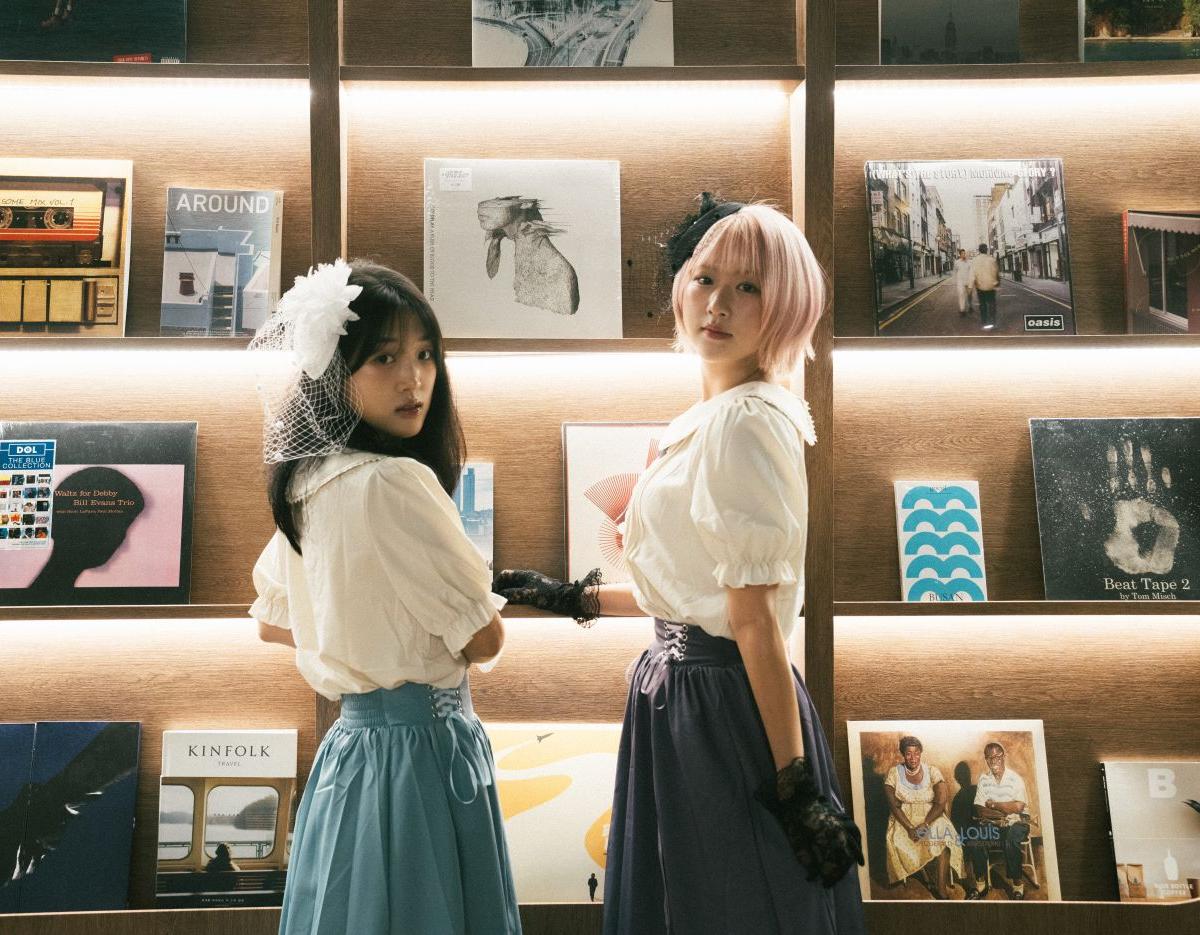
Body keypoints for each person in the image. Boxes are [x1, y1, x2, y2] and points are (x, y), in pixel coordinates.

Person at [496, 197, 865, 934]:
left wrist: (793, 788)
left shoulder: (748, 421)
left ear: (786, 306)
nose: (717, 304)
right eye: (705, 279)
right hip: (680, 691)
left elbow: (754, 621)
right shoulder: (711, 417)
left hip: (721, 704)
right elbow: (699, 597)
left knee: (727, 904)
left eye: (748, 287)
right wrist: (578, 597)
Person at [249, 259, 521, 935]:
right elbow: (483, 640)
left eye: (426, 355)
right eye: (384, 357)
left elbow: (274, 623)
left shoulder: (307, 483)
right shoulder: (395, 482)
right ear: (336, 375)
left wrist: (360, 627)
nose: (414, 378)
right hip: (425, 751)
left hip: (351, 750)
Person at [881, 736, 963, 899]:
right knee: (899, 837)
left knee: (944, 833)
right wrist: (910, 828)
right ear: (903, 754)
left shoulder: (932, 771)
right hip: (904, 818)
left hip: (930, 815)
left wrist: (925, 824)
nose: (913, 757)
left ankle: (941, 888)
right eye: (908, 753)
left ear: (921, 753)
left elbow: (940, 802)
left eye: (916, 753)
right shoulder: (894, 773)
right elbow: (893, 804)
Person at [966, 742, 1031, 900]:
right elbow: (979, 810)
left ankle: (1017, 885)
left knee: (1010, 840)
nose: (993, 760)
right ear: (986, 760)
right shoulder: (984, 779)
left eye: (997, 756)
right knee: (974, 840)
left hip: (1018, 823)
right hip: (994, 824)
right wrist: (1001, 816)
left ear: (1004, 757)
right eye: (989, 757)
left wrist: (994, 804)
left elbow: (1018, 807)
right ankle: (981, 885)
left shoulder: (1015, 778)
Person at [969, 243, 1001, 331]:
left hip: (980, 286)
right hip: (991, 286)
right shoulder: (992, 259)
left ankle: (984, 322)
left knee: (982, 304)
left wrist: (970, 287)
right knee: (992, 304)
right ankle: (993, 322)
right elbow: (996, 272)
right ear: (986, 250)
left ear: (979, 250)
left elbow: (972, 275)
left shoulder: (974, 260)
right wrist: (997, 283)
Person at [953, 248, 974, 317]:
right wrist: (955, 281)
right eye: (962, 254)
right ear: (960, 255)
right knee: (961, 295)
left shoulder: (969, 262)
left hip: (968, 281)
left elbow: (971, 272)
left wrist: (971, 281)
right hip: (960, 282)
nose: (964, 255)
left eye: (964, 253)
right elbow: (955, 272)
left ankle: (970, 306)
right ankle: (962, 310)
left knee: (969, 295)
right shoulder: (957, 262)